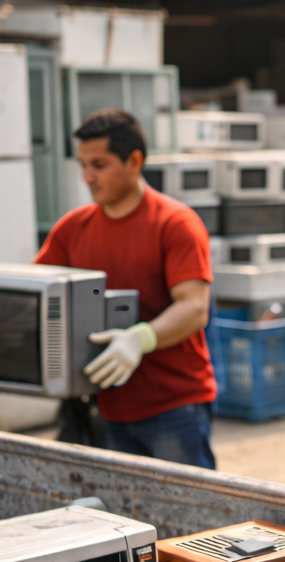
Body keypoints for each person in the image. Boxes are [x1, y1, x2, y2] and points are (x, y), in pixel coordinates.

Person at [35, 108, 218, 468]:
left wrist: (140, 339)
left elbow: (194, 307)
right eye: (83, 165)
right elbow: (36, 289)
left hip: (173, 404)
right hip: (108, 404)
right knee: (124, 502)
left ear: (134, 161)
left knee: (184, 500)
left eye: (99, 165)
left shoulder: (176, 224)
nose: (88, 177)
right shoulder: (72, 229)